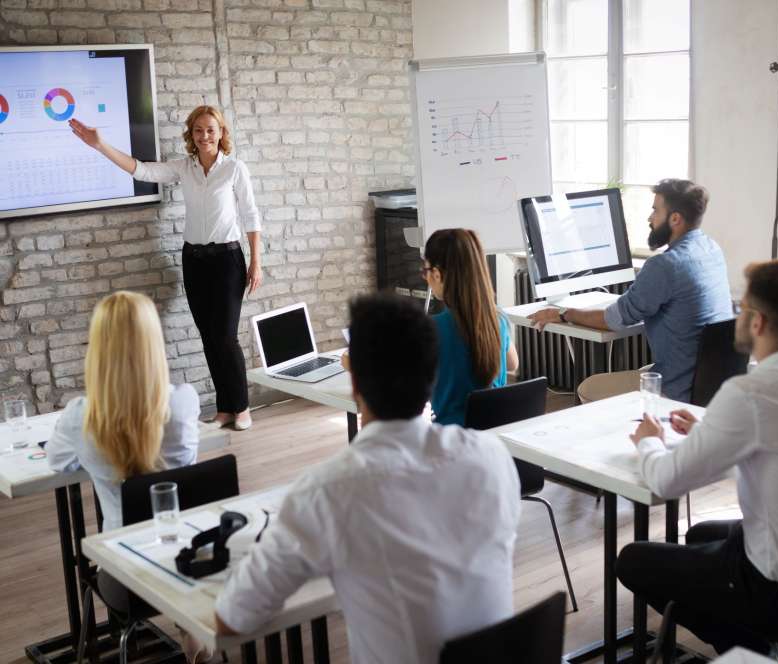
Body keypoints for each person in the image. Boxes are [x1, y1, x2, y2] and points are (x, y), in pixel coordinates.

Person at [214, 294, 521, 664]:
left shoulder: (326, 492)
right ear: (433, 374)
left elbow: (234, 618)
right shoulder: (491, 457)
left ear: (355, 383)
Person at [617, 260, 778, 658]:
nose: (735, 311)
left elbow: (665, 482)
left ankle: (756, 652)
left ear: (758, 322)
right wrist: (709, 434)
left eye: (741, 305)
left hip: (777, 587)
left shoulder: (751, 392)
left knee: (632, 560)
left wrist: (649, 441)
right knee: (701, 535)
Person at [69, 106, 261, 431]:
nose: (204, 136)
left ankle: (242, 408)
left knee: (226, 337)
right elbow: (141, 171)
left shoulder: (234, 169)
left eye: (210, 130)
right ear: (191, 134)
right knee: (209, 338)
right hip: (194, 261)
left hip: (228, 260)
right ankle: (225, 409)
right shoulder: (184, 168)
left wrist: (256, 261)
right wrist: (100, 145)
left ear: (221, 133)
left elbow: (251, 215)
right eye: (198, 130)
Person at [528, 179, 732, 402]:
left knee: (588, 387)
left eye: (655, 210)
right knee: (645, 368)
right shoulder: (711, 249)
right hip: (710, 382)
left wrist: (562, 314)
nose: (650, 218)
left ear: (675, 219)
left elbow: (612, 320)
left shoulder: (665, 265)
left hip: (675, 387)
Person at [46, 291, 200, 531]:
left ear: (98, 347)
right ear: (154, 341)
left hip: (119, 552)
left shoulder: (79, 416)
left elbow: (57, 461)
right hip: (181, 541)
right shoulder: (183, 401)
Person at [421, 228, 519, 425]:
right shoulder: (498, 317)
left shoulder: (432, 329)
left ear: (438, 274)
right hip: (495, 439)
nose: (426, 277)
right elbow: (512, 365)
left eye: (426, 270)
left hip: (451, 443)